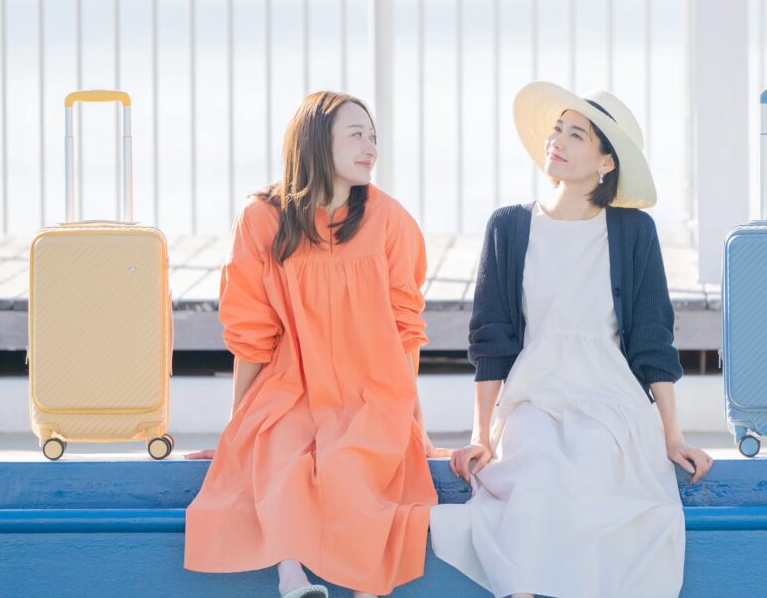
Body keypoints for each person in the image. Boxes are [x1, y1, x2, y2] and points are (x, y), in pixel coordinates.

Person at [429, 81, 713, 598]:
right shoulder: (509, 227)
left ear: (606, 162)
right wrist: (480, 435)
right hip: (531, 397)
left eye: (576, 134)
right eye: (557, 129)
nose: (556, 141)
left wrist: (673, 438)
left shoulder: (634, 232)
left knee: (597, 482)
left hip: (610, 400)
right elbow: (491, 342)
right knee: (532, 478)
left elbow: (653, 341)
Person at [183, 91, 448, 598]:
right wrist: (239, 429)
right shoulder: (262, 218)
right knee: (281, 453)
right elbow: (251, 333)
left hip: (372, 390)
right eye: (356, 135)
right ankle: (293, 579)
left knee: (354, 467)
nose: (371, 148)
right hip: (293, 384)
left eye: (373, 137)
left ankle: (364, 588)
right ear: (315, 142)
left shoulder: (390, 219)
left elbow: (406, 330)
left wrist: (414, 422)